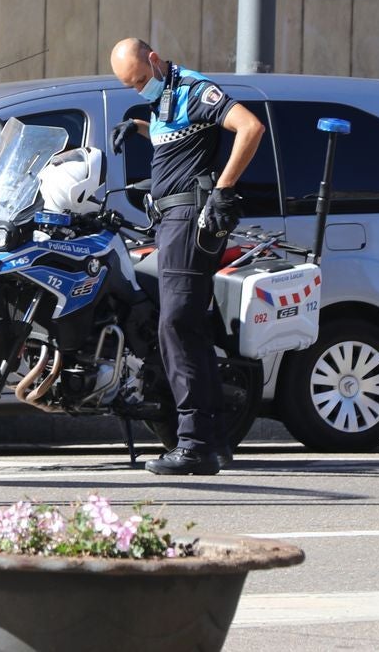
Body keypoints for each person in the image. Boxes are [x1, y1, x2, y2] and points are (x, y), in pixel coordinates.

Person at [109, 38, 265, 476]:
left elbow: (250, 128)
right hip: (170, 219)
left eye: (140, 79)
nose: (139, 88)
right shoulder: (166, 97)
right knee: (189, 326)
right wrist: (139, 127)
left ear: (154, 61)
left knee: (175, 323)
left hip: (191, 217)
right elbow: (177, 136)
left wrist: (223, 190)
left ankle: (193, 443)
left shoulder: (195, 89)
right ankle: (213, 442)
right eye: (130, 86)